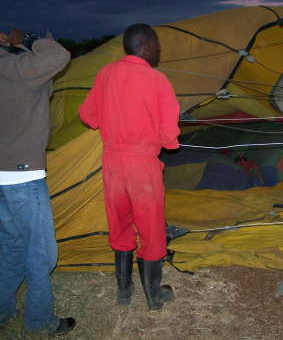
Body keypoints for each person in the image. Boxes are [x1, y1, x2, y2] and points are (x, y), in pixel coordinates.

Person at [79, 24, 181, 311]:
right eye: (157, 44)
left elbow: (88, 115)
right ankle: (153, 295)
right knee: (150, 228)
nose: (159, 49)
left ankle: (124, 292)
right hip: (142, 164)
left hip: (112, 162)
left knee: (120, 223)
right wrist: (164, 139)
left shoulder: (105, 74)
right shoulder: (157, 80)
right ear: (146, 45)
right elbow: (169, 135)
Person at [0, 30, 75, 335]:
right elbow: (58, 55)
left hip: (4, 176)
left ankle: (3, 310)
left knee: (12, 247)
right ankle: (40, 320)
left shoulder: (14, 70)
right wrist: (29, 39)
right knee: (41, 251)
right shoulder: (12, 68)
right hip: (22, 176)